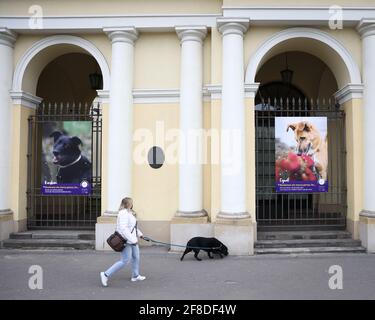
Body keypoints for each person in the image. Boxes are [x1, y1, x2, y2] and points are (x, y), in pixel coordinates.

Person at [100, 197, 146, 287]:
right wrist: (132, 240)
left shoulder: (130, 212)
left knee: (136, 257)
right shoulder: (123, 213)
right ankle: (105, 274)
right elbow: (124, 229)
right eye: (131, 202)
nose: (133, 204)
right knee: (125, 260)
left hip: (132, 239)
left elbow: (133, 227)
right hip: (126, 240)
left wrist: (140, 234)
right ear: (128, 204)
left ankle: (135, 276)